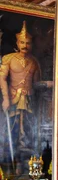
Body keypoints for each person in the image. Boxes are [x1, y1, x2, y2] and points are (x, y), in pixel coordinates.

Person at [0, 21, 41, 155]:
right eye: (22, 42)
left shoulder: (34, 62)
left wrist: (49, 84)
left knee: (28, 127)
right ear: (17, 43)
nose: (25, 45)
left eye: (28, 43)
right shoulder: (9, 58)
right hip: (13, 98)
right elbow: (2, 78)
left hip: (29, 99)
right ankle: (10, 154)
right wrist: (5, 99)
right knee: (13, 126)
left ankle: (26, 152)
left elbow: (36, 84)